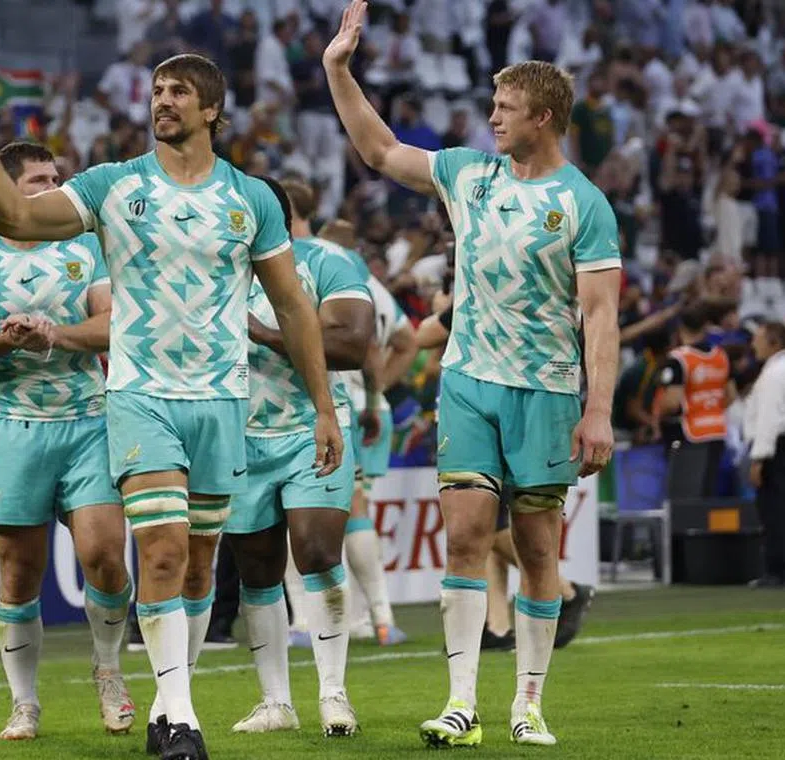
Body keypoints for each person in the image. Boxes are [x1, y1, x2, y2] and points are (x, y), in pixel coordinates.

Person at [0, 53, 339, 760]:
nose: (163, 100)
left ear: (212, 109)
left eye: (179, 91)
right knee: (162, 549)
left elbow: (294, 308)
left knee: (198, 564)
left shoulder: (252, 199)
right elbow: (12, 215)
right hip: (139, 394)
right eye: (156, 91)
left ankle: (165, 703)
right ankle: (180, 718)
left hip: (220, 399)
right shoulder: (112, 185)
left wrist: (323, 406)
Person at [324, 2, 621, 747]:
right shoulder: (468, 174)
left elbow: (600, 317)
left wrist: (599, 410)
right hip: (467, 383)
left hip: (546, 392)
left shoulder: (583, 205)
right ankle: (461, 703)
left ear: (543, 117)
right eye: (493, 105)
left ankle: (529, 703)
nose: (492, 118)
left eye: (505, 108)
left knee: (539, 549)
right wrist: (338, 69)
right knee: (463, 538)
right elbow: (380, 150)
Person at [0, 141, 136, 741]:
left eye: (57, 178)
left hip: (88, 419)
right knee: (19, 574)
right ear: (6, 189)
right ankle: (24, 703)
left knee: (104, 556)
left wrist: (56, 334)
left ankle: (109, 669)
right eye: (39, 181)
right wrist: (4, 340)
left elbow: (115, 324)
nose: (54, 189)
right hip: (11, 425)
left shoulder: (86, 248)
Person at [226, 177, 373, 737]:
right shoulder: (217, 273)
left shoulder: (325, 261)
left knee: (315, 551)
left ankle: (334, 694)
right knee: (256, 567)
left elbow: (353, 344)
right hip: (237, 436)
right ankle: (276, 704)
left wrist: (266, 333)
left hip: (310, 428)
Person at [276, 180, 413, 648]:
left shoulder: (291, 262)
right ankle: (376, 617)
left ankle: (310, 620)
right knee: (353, 510)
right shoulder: (357, 271)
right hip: (362, 405)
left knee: (312, 512)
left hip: (318, 404)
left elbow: (366, 344)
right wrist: (377, 395)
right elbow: (401, 341)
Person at [415, 309, 596, 652]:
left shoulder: (476, 299)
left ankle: (566, 590)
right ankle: (496, 624)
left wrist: (442, 309)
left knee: (489, 525)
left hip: (499, 403)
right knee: (487, 526)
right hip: (476, 401)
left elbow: (422, 335)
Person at [654, 302, 736, 497]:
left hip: (689, 435)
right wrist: (711, 409)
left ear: (681, 327)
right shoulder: (720, 355)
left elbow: (672, 402)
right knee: (706, 494)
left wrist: (657, 413)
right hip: (716, 431)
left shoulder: (679, 359)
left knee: (685, 497)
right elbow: (731, 395)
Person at [744, 321, 785, 587]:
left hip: (776, 450)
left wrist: (758, 458)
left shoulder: (775, 373)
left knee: (775, 512)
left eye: (759, 339)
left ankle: (778, 570)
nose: (754, 344)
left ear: (774, 342)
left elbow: (769, 419)